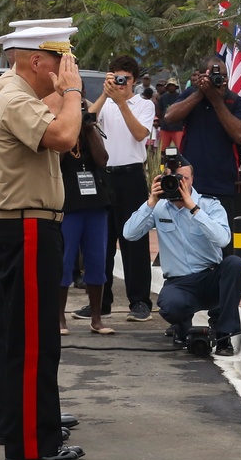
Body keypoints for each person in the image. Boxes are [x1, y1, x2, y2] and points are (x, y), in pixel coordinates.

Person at [0, 22, 85, 460]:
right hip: (26, 226)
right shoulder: (12, 97)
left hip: (30, 224)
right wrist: (75, 93)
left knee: (27, 337)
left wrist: (65, 94)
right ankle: (29, 444)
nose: (68, 68)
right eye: (62, 60)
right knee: (32, 341)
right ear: (38, 61)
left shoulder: (15, 92)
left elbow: (54, 120)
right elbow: (64, 137)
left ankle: (25, 423)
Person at [122, 154, 241, 355]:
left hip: (211, 277)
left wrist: (193, 209)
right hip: (180, 283)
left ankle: (224, 335)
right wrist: (151, 201)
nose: (180, 183)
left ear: (192, 180)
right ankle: (181, 326)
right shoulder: (159, 208)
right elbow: (129, 234)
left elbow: (223, 240)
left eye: (184, 178)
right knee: (171, 305)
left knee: (234, 264)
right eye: (174, 178)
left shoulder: (209, 205)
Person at [77, 55, 156, 323]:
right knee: (100, 241)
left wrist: (122, 102)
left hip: (131, 176)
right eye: (116, 78)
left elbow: (139, 134)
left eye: (125, 79)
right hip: (104, 176)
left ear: (134, 80)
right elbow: (87, 121)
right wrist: (105, 95)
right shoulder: (105, 103)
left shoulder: (143, 104)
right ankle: (101, 301)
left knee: (134, 240)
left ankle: (140, 301)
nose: (121, 83)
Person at [162, 56, 241, 220]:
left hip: (222, 185)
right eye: (215, 75)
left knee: (221, 240)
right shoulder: (192, 95)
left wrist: (217, 102)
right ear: (201, 76)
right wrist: (201, 93)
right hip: (190, 185)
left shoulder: (235, 101)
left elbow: (240, 135)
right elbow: (169, 117)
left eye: (223, 76)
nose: (220, 80)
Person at [59, 92, 113, 335]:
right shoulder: (60, 131)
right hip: (67, 204)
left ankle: (96, 318)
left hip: (95, 204)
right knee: (63, 261)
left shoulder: (90, 130)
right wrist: (70, 127)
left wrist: (89, 127)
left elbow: (102, 160)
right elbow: (56, 159)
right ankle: (59, 318)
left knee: (96, 260)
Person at [156, 77, 185, 151]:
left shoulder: (181, 97)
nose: (171, 87)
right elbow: (160, 110)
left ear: (176, 87)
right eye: (170, 85)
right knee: (162, 150)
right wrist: (161, 121)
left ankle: (179, 162)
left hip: (178, 127)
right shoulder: (163, 98)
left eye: (173, 85)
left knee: (180, 149)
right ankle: (163, 162)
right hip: (165, 127)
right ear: (167, 87)